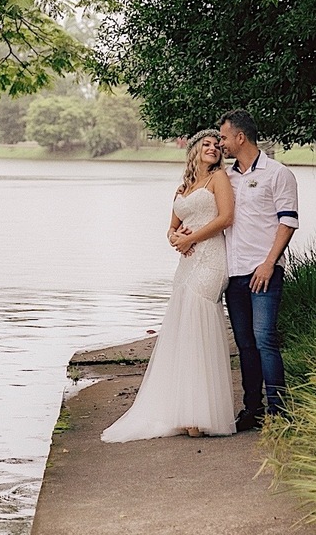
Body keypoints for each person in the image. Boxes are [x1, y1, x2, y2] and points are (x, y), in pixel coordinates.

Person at [101, 130, 237, 442]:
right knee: (185, 333)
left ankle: (202, 415)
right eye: (206, 144)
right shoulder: (184, 187)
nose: (213, 148)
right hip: (187, 263)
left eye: (217, 145)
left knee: (200, 328)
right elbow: (171, 228)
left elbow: (226, 218)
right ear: (194, 150)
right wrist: (175, 238)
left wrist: (191, 238)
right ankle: (184, 412)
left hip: (211, 260)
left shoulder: (219, 178)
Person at [217, 109, 298, 431]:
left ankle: (279, 411)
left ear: (240, 137)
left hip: (264, 271)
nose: (221, 143)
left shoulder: (278, 173)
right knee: (245, 344)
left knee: (265, 339)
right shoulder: (227, 178)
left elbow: (288, 222)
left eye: (224, 137)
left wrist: (269, 264)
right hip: (234, 273)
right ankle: (253, 409)